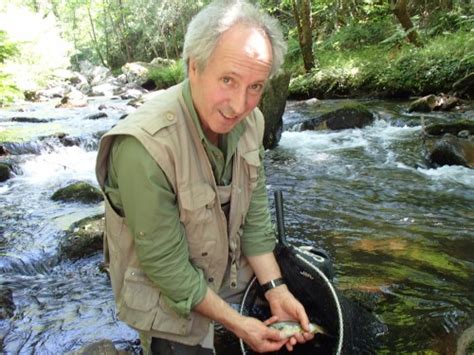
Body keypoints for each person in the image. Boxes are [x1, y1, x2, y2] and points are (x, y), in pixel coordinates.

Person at [95, 0, 313, 353]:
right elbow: (166, 268)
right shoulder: (143, 147)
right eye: (228, 80)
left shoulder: (251, 123)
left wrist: (277, 289)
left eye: (256, 87)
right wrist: (240, 325)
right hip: (167, 294)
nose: (239, 104)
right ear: (194, 67)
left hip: (227, 272)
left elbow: (255, 221)